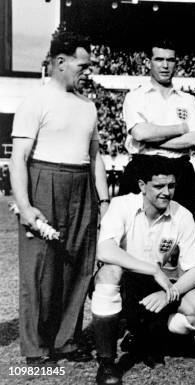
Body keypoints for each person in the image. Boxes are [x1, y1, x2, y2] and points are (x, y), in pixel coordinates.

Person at [9, 31, 109, 364]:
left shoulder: (87, 105)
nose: (87, 71)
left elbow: (95, 157)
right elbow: (18, 159)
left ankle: (67, 339)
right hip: (44, 182)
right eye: (82, 65)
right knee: (40, 270)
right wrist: (24, 206)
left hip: (81, 187)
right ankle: (36, 348)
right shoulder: (35, 101)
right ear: (60, 62)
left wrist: (104, 201)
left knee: (78, 266)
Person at [91, 157, 195, 385]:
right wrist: (153, 270)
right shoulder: (121, 205)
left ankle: (148, 338)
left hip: (158, 288)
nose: (166, 192)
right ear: (142, 186)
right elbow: (105, 250)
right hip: (125, 285)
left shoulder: (182, 215)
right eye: (158, 186)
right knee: (110, 272)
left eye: (171, 186)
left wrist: (170, 292)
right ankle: (107, 363)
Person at [119, 39, 195, 230]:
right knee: (134, 233)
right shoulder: (135, 96)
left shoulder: (188, 100)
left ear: (176, 63)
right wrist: (181, 129)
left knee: (182, 239)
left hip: (180, 170)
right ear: (149, 62)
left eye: (170, 60)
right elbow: (140, 133)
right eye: (159, 59)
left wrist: (153, 137)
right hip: (143, 166)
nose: (165, 65)